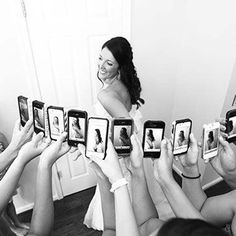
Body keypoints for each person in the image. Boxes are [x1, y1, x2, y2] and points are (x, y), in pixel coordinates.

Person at [84, 36, 148, 230]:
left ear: (119, 66)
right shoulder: (124, 81)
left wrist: (104, 142)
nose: (101, 65)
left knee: (117, 187)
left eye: (109, 62)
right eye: (100, 58)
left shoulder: (105, 95)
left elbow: (128, 125)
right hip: (134, 146)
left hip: (121, 149)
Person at [0, 131, 30, 236]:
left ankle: (17, 222)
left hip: (7, 176)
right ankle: (12, 228)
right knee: (2, 207)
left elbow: (12, 152)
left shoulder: (1, 135)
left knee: (10, 203)